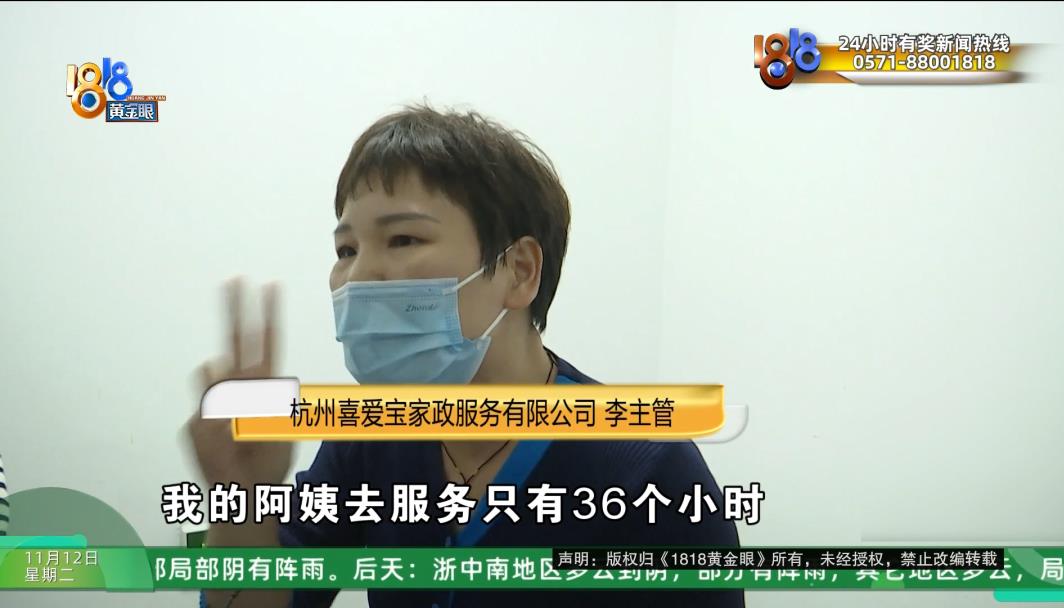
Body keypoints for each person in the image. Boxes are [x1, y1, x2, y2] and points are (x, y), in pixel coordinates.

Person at [188, 105, 743, 608]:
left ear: (519, 271)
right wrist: (240, 504)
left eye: (403, 239)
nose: (358, 276)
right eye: (346, 249)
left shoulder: (648, 470)